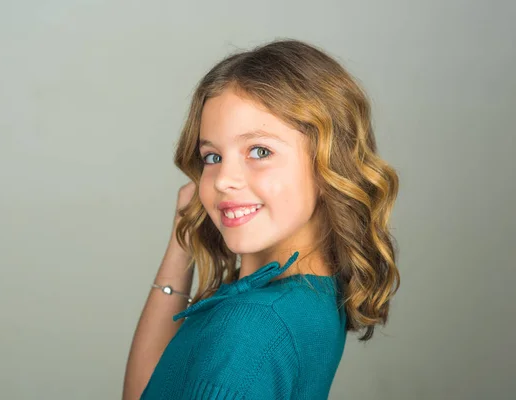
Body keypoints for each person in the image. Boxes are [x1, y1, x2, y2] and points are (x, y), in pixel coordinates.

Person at [123, 38, 400, 400]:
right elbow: (149, 391)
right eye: (212, 157)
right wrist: (182, 241)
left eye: (259, 151)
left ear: (328, 164)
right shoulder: (310, 295)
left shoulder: (250, 328)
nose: (223, 180)